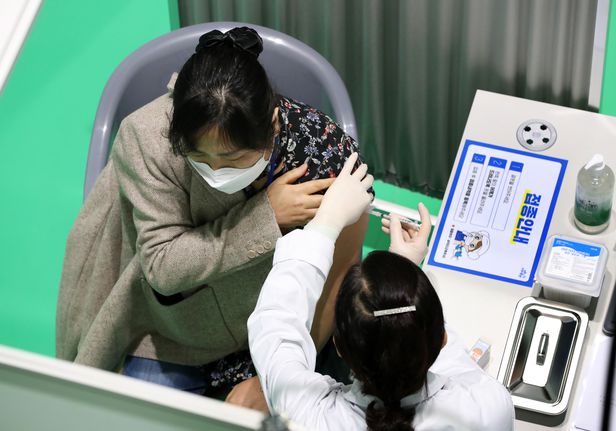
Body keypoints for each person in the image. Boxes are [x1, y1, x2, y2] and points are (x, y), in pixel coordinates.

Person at [56, 27, 368, 411]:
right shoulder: (148, 138)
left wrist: (277, 376)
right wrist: (266, 216)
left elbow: (338, 276)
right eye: (199, 158)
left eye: (234, 159)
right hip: (176, 328)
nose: (216, 172)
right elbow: (162, 264)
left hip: (278, 326)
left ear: (272, 126)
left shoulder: (323, 152)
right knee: (135, 415)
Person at [248, 153, 515, 430]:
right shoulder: (487, 408)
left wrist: (324, 224)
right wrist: (404, 271)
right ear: (443, 338)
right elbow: (451, 368)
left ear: (339, 347)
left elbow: (275, 326)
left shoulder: (308, 417)